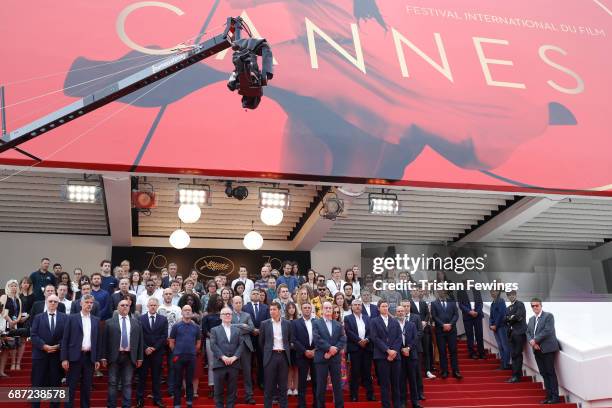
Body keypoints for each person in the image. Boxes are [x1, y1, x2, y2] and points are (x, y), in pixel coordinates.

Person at [101, 298, 144, 408]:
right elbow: (104, 341)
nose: (125, 307)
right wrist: (103, 357)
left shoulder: (136, 323)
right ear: (117, 308)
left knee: (127, 383)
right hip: (114, 357)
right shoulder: (109, 322)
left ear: (130, 307)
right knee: (112, 383)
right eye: (122, 305)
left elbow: (140, 341)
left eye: (127, 305)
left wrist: (140, 358)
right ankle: (111, 406)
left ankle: (126, 406)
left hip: (129, 357)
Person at [61, 294, 102, 408]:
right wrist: (64, 358)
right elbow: (65, 339)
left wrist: (97, 359)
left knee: (87, 387)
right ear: (81, 303)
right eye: (87, 302)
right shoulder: (72, 318)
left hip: (89, 358)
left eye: (91, 303)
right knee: (71, 386)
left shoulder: (96, 320)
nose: (89, 305)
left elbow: (98, 341)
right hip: (74, 357)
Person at [30, 294, 67, 408]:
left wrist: (58, 346)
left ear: (58, 304)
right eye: (50, 301)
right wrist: (44, 346)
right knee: (37, 385)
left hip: (56, 356)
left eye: (55, 302)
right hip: (40, 356)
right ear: (46, 302)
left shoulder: (65, 317)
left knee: (55, 385)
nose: (52, 303)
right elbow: (33, 335)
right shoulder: (38, 317)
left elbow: (67, 336)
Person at [527, 298, 560, 404]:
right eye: (533, 306)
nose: (535, 307)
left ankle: (555, 397)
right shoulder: (531, 319)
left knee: (550, 372)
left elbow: (548, 330)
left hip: (547, 349)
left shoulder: (548, 316)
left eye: (537, 305)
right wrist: (532, 342)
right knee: (544, 373)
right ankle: (548, 396)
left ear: (541, 306)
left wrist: (535, 340)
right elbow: (528, 332)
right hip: (536, 350)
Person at [312, 301, 346, 408]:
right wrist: (329, 348)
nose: (328, 310)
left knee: (337, 385)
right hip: (321, 358)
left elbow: (343, 339)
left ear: (332, 310)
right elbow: (317, 339)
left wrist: (333, 351)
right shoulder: (316, 323)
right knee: (321, 386)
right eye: (326, 308)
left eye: (329, 308)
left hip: (335, 358)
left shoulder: (338, 324)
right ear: (322, 309)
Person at [370, 299, 402, 408]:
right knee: (384, 384)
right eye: (383, 306)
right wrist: (388, 351)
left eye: (386, 306)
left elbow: (399, 338)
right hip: (382, 356)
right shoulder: (374, 321)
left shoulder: (394, 321)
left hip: (395, 357)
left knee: (396, 383)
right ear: (378, 308)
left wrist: (394, 352)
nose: (385, 308)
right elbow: (375, 338)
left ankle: (397, 405)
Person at [260, 301, 292, 408]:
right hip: (271, 356)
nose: (272, 312)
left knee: (283, 386)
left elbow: (289, 339)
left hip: (283, 356)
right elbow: (261, 342)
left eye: (274, 309)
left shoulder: (287, 323)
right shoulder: (264, 324)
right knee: (269, 386)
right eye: (270, 310)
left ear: (279, 311)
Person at [210, 306, 244, 408]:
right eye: (225, 314)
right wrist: (223, 357)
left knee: (232, 391)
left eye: (229, 314)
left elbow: (241, 345)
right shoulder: (214, 330)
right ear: (221, 316)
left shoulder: (237, 330)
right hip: (220, 364)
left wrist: (234, 357)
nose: (228, 315)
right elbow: (213, 345)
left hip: (234, 364)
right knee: (218, 391)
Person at [169, 305, 202, 408]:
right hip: (178, 357)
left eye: (189, 310)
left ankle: (189, 403)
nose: (187, 312)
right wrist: (176, 352)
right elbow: (171, 342)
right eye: (185, 310)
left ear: (192, 313)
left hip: (191, 357)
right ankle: (177, 404)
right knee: (177, 381)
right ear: (182, 312)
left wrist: (192, 351)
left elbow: (198, 343)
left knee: (189, 381)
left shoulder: (196, 327)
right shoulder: (176, 326)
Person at [138, 297, 168, 408]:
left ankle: (157, 400)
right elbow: (139, 336)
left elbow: (164, 336)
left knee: (156, 378)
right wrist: (146, 348)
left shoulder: (163, 319)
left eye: (155, 305)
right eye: (151, 305)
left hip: (157, 353)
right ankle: (140, 400)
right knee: (142, 377)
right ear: (147, 306)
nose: (153, 307)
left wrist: (154, 348)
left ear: (158, 306)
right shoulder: (140, 319)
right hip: (144, 353)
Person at [344, 299, 375, 402]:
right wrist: (359, 341)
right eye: (355, 305)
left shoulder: (367, 318)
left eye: (359, 305)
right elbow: (348, 332)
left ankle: (370, 395)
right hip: (355, 349)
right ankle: (354, 395)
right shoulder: (347, 318)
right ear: (351, 307)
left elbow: (371, 331)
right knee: (355, 372)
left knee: (367, 372)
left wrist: (366, 340)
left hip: (367, 348)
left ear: (361, 307)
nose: (357, 306)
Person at [231, 296, 257, 404]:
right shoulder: (228, 314)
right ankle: (232, 396)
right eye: (236, 302)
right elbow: (227, 327)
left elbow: (251, 328)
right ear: (232, 304)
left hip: (246, 347)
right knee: (233, 373)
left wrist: (236, 328)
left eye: (240, 302)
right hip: (232, 347)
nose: (238, 304)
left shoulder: (247, 315)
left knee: (247, 372)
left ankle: (249, 396)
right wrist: (242, 325)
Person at [431, 290, 462, 379]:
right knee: (442, 351)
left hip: (452, 331)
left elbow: (456, 315)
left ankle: (455, 371)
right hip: (440, 331)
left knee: (453, 351)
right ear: (437, 292)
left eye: (444, 290)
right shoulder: (434, 303)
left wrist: (450, 324)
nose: (442, 292)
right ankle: (444, 371)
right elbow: (434, 316)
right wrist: (443, 325)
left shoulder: (452, 302)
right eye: (440, 291)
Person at [158, 288, 182, 398]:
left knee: (172, 366)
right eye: (166, 294)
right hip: (160, 341)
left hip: (173, 341)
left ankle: (171, 390)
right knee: (157, 366)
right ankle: (157, 391)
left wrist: (172, 339)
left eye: (170, 294)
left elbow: (178, 325)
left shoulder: (177, 309)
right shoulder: (158, 308)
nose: (168, 295)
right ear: (163, 295)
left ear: (173, 295)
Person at [292, 302, 317, 408]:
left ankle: (317, 403)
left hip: (316, 355)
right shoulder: (295, 323)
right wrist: (305, 351)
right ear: (301, 310)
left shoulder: (317, 322)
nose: (307, 309)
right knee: (302, 381)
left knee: (316, 380)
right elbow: (294, 339)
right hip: (302, 355)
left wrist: (315, 351)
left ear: (311, 309)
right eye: (305, 308)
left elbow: (321, 337)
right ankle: (301, 404)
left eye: (308, 308)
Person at [243, 288, 269, 390]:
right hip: (249, 337)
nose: (255, 295)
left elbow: (267, 321)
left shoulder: (266, 307)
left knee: (262, 361)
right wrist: (252, 330)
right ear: (250, 296)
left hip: (262, 338)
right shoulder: (245, 307)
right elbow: (244, 322)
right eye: (253, 293)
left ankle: (261, 381)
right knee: (249, 361)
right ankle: (250, 381)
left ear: (260, 296)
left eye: (257, 294)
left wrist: (259, 330)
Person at [397, 305, 422, 408]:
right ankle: (403, 401)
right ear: (396, 313)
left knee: (413, 379)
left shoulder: (411, 324)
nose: (400, 313)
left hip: (411, 355)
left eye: (402, 311)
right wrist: (401, 349)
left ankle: (415, 402)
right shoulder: (393, 324)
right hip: (399, 356)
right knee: (401, 380)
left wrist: (408, 348)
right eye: (398, 311)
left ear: (405, 313)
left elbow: (415, 338)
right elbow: (393, 339)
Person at [410, 289, 435, 379]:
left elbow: (428, 314)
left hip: (425, 329)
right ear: (411, 292)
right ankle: (417, 371)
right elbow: (409, 315)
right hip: (414, 330)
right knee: (416, 351)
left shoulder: (423, 303)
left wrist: (425, 321)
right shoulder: (408, 303)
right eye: (414, 290)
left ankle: (428, 370)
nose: (416, 292)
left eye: (417, 290)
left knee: (426, 350)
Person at [202, 295, 223, 398]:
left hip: (223, 342)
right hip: (210, 341)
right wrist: (213, 337)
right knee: (211, 364)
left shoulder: (224, 314)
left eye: (220, 300)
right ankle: (212, 387)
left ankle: (221, 388)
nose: (219, 301)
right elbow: (205, 330)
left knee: (223, 364)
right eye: (217, 300)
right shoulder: (207, 316)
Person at [504, 290, 527, 383]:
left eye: (513, 294)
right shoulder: (508, 307)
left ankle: (517, 376)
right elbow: (504, 319)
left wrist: (511, 318)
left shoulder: (520, 304)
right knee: (513, 355)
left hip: (519, 333)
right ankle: (514, 375)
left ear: (516, 295)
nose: (511, 296)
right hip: (511, 334)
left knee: (517, 353)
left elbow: (518, 316)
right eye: (509, 295)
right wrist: (510, 317)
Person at [457, 283, 485, 359]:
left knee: (479, 334)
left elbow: (480, 303)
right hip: (467, 316)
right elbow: (461, 305)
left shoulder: (477, 290)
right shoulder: (460, 291)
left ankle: (481, 353)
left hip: (477, 315)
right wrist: (470, 312)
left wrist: (477, 312)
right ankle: (472, 353)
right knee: (470, 335)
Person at [0, 280, 23, 372]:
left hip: (14, 324)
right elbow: (1, 311)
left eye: (15, 286)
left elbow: (20, 312)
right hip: (3, 324)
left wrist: (16, 321)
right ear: (8, 287)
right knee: (5, 346)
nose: (14, 288)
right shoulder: (4, 297)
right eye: (12, 286)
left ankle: (8, 367)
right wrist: (10, 321)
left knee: (13, 344)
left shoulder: (18, 299)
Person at [490, 289, 510, 369]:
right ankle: (503, 364)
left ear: (498, 292)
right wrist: (491, 325)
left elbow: (502, 314)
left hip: (502, 327)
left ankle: (506, 364)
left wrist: (495, 325)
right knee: (500, 346)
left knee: (505, 346)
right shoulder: (492, 303)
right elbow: (491, 316)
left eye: (494, 291)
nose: (493, 293)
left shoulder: (501, 301)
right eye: (491, 292)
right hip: (495, 328)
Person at [284, 302, 299, 396]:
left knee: (296, 369)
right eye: (289, 308)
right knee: (289, 368)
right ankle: (289, 387)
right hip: (287, 348)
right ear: (287, 310)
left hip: (297, 348)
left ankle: (296, 388)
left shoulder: (298, 321)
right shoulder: (284, 321)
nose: (291, 309)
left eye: (293, 307)